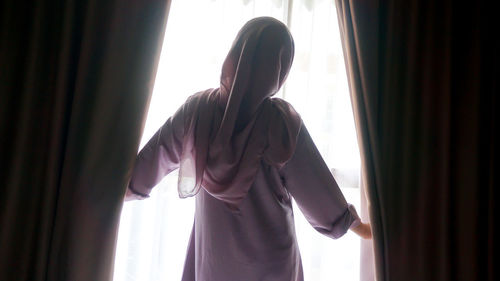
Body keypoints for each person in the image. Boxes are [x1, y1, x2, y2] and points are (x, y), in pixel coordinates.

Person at [124, 16, 371, 281]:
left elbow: (144, 170)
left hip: (213, 263)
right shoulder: (281, 123)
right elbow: (319, 193)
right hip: (273, 265)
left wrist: (94, 193)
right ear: (278, 68)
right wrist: (361, 228)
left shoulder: (195, 113)